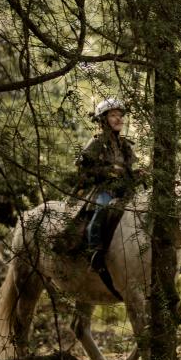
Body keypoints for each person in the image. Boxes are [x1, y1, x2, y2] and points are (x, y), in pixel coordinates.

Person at [76, 97, 139, 278]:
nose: (119, 119)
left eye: (120, 115)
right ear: (104, 119)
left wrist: (136, 174)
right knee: (102, 209)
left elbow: (126, 172)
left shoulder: (125, 145)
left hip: (124, 192)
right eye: (113, 115)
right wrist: (109, 170)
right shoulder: (96, 142)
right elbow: (83, 168)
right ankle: (94, 252)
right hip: (102, 190)